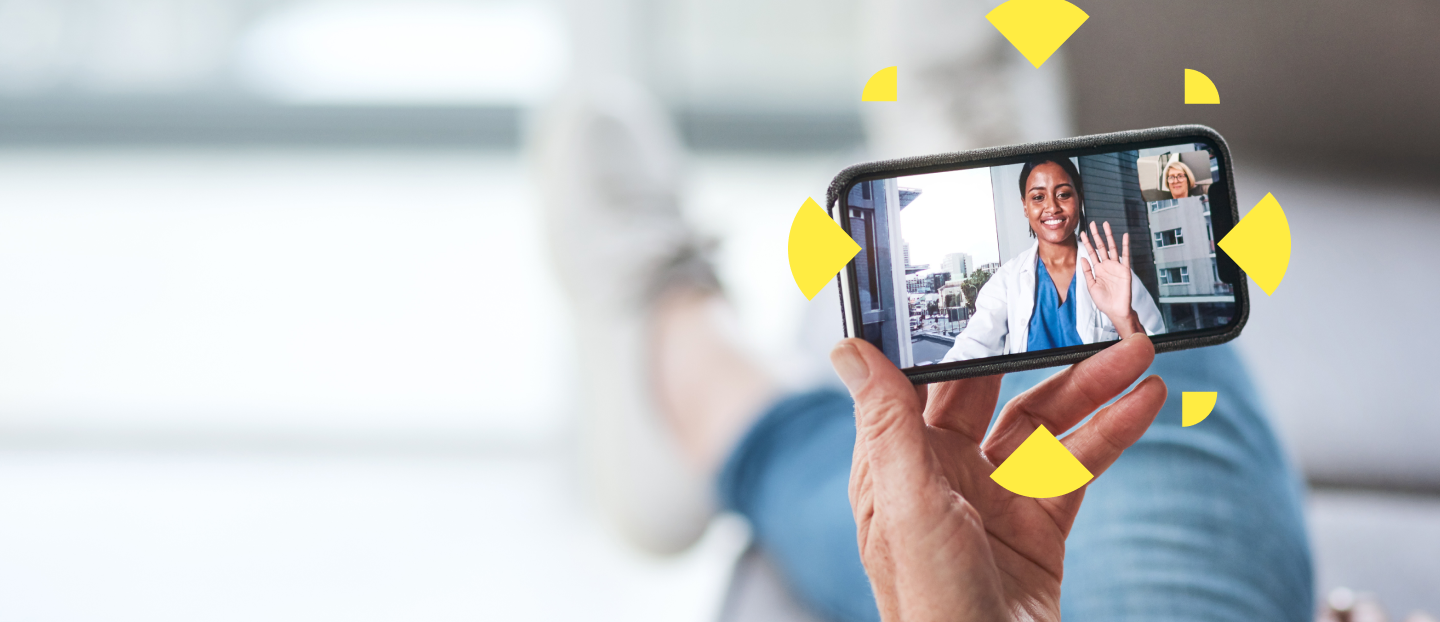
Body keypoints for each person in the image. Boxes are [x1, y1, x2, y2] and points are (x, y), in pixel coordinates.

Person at [536, 81, 1313, 622]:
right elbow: (979, 334)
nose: (1052, 209)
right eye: (1034, 194)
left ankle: (687, 362)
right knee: (1151, 364)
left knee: (984, 474)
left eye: (1059, 195)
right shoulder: (1020, 278)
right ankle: (977, 148)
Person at [943, 158, 1164, 362]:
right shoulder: (1007, 280)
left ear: (1080, 198)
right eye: (1038, 197)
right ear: (1025, 206)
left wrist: (1125, 319)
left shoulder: (1113, 275)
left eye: (1064, 194)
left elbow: (1162, 360)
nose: (1052, 207)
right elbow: (970, 348)